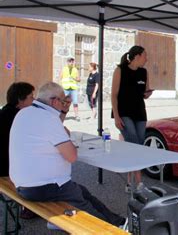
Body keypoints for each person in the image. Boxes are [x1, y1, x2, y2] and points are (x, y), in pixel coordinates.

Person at [9, 82, 126, 230]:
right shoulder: (48, 119)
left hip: (22, 183)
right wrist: (67, 139)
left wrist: (64, 112)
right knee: (84, 205)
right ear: (54, 101)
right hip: (43, 186)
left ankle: (119, 222)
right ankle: (111, 230)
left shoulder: (24, 112)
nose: (65, 103)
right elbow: (71, 156)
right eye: (63, 101)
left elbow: (55, 130)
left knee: (82, 191)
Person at [111, 46, 153, 193]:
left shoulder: (144, 72)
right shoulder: (120, 70)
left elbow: (144, 93)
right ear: (137, 56)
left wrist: (148, 94)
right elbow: (114, 94)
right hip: (123, 113)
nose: (146, 59)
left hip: (140, 113)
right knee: (135, 145)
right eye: (145, 56)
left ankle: (129, 182)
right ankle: (140, 183)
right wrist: (116, 115)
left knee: (135, 146)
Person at [0, 82, 37, 219]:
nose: (33, 100)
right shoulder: (19, 117)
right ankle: (32, 205)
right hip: (6, 169)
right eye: (31, 97)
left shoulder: (5, 112)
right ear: (20, 100)